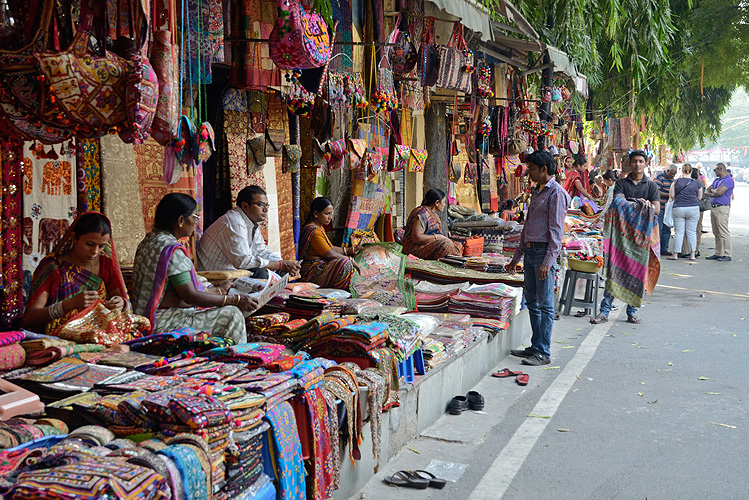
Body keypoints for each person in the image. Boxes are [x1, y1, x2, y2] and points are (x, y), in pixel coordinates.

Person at [132, 193, 258, 342]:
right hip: (162, 322)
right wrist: (234, 300)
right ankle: (235, 359)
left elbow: (172, 293)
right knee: (231, 314)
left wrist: (219, 291)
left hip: (144, 317)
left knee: (214, 300)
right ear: (180, 220)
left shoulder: (148, 242)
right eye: (194, 217)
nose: (196, 223)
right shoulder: (171, 250)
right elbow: (190, 296)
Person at [506, 151, 570, 366]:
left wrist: (548, 261)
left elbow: (556, 231)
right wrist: (516, 258)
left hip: (543, 253)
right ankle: (535, 346)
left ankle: (543, 351)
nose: (528, 172)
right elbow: (528, 228)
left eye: (532, 168)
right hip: (532, 251)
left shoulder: (556, 194)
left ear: (544, 169)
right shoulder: (537, 192)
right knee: (532, 302)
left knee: (545, 304)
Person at [22, 212, 128, 335]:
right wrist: (68, 305)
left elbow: (121, 301)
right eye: (90, 244)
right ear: (73, 237)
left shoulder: (106, 265)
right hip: (64, 335)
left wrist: (120, 303)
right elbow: (30, 317)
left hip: (100, 330)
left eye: (101, 246)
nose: (95, 251)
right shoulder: (53, 267)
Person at [591, 150, 660, 325]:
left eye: (641, 161)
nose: (637, 164)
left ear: (646, 164)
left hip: (643, 236)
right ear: (629, 163)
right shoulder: (621, 183)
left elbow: (657, 209)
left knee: (638, 273)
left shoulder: (650, 186)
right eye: (635, 161)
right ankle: (604, 311)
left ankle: (632, 311)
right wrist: (640, 204)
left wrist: (639, 205)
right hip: (621, 236)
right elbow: (617, 202)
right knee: (615, 271)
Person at [197, 186, 301, 278]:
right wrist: (279, 265)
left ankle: (276, 299)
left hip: (233, 271)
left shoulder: (250, 223)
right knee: (260, 273)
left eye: (266, 205)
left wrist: (283, 264)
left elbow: (261, 251)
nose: (265, 210)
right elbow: (242, 262)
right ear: (245, 206)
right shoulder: (234, 222)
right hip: (216, 275)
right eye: (260, 204)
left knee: (281, 271)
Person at [298, 197, 361, 289]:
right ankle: (339, 293)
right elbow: (330, 254)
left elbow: (330, 248)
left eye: (331, 213)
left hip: (319, 267)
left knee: (347, 261)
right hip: (311, 272)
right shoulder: (314, 230)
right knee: (345, 264)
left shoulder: (319, 227)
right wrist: (350, 259)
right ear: (316, 214)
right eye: (327, 214)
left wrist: (350, 250)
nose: (330, 217)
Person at [401, 188, 464, 260]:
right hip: (413, 247)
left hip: (425, 245)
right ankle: (438, 267)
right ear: (437, 203)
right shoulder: (422, 213)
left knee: (458, 245)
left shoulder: (433, 215)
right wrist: (437, 237)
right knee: (446, 245)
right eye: (443, 202)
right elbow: (416, 238)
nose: (445, 204)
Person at [668, 164, 703, 261]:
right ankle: (692, 255)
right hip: (693, 208)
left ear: (681, 171)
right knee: (692, 232)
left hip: (679, 208)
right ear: (691, 171)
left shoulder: (676, 182)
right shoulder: (697, 183)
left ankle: (675, 254)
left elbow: (671, 195)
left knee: (679, 232)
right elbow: (700, 198)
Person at [705, 163, 734, 262]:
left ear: (720, 169)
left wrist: (714, 192)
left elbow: (719, 193)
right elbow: (707, 190)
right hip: (714, 207)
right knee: (716, 232)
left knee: (723, 232)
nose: (714, 172)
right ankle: (718, 252)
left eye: (715, 170)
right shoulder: (717, 180)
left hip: (722, 208)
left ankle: (727, 254)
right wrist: (714, 191)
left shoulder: (728, 180)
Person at [654, 164, 677, 255]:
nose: (673, 176)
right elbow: (656, 192)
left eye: (674, 174)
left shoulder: (673, 180)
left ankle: (664, 249)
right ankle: (657, 249)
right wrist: (670, 195)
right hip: (660, 207)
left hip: (668, 209)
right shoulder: (659, 178)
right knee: (658, 229)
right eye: (672, 174)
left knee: (667, 229)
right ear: (667, 171)